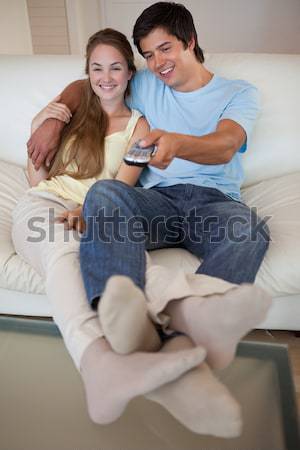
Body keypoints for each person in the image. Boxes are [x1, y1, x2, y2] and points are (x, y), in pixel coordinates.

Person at [26, 6, 272, 435]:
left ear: (190, 40)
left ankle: (183, 328)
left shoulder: (238, 91)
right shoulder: (144, 83)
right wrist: (52, 119)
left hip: (215, 203)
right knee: (105, 194)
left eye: (165, 49)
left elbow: (226, 145)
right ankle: (121, 322)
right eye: (149, 54)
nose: (158, 63)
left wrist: (178, 143)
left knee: (250, 231)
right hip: (155, 202)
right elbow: (88, 83)